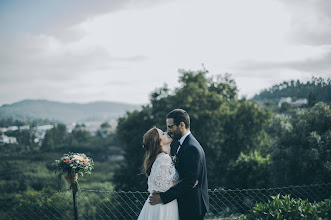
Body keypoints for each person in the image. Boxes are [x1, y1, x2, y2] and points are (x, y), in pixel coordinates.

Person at [149, 109, 209, 220]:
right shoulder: (184, 144)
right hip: (186, 203)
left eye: (170, 126)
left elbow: (189, 182)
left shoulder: (191, 147)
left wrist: (163, 198)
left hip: (192, 205)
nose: (168, 131)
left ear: (181, 125)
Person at [137, 126, 180, 220]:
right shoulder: (164, 158)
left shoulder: (159, 157)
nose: (166, 133)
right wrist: (182, 182)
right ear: (159, 142)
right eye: (163, 134)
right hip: (162, 205)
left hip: (160, 203)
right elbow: (160, 186)